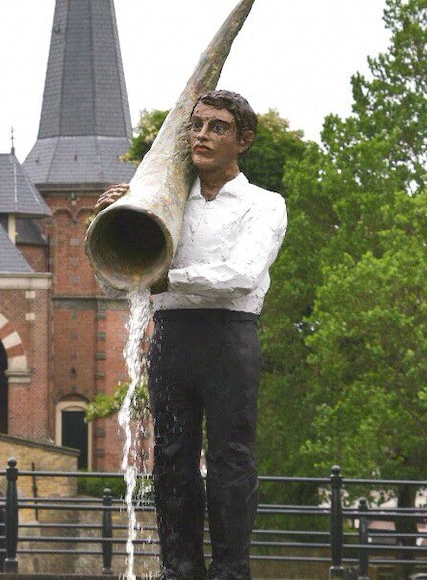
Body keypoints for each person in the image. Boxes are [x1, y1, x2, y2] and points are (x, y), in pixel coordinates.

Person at [95, 90, 287, 580]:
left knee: (231, 458)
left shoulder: (265, 205)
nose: (202, 135)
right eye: (197, 125)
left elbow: (241, 274)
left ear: (243, 140)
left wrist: (167, 277)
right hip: (171, 338)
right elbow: (120, 276)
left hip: (229, 339)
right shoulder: (164, 201)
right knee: (171, 460)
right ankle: (178, 569)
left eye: (217, 127)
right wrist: (118, 219)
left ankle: (230, 570)